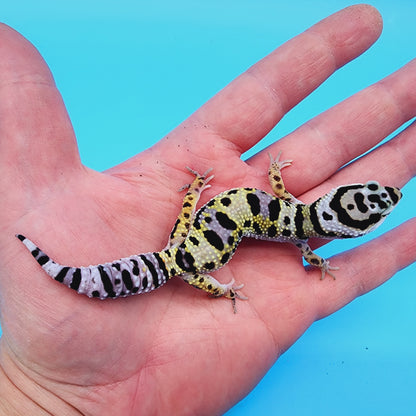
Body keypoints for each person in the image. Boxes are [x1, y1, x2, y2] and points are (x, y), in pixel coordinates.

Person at [0, 4, 415, 415]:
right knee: (199, 266)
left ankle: (92, 260)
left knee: (191, 248)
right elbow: (304, 248)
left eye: (372, 206)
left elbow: (277, 196)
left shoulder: (293, 213)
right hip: (187, 257)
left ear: (337, 209)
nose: (382, 199)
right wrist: (229, 287)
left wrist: (203, 191)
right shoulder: (301, 234)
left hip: (188, 242)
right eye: (375, 199)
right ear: (341, 226)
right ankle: (173, 274)